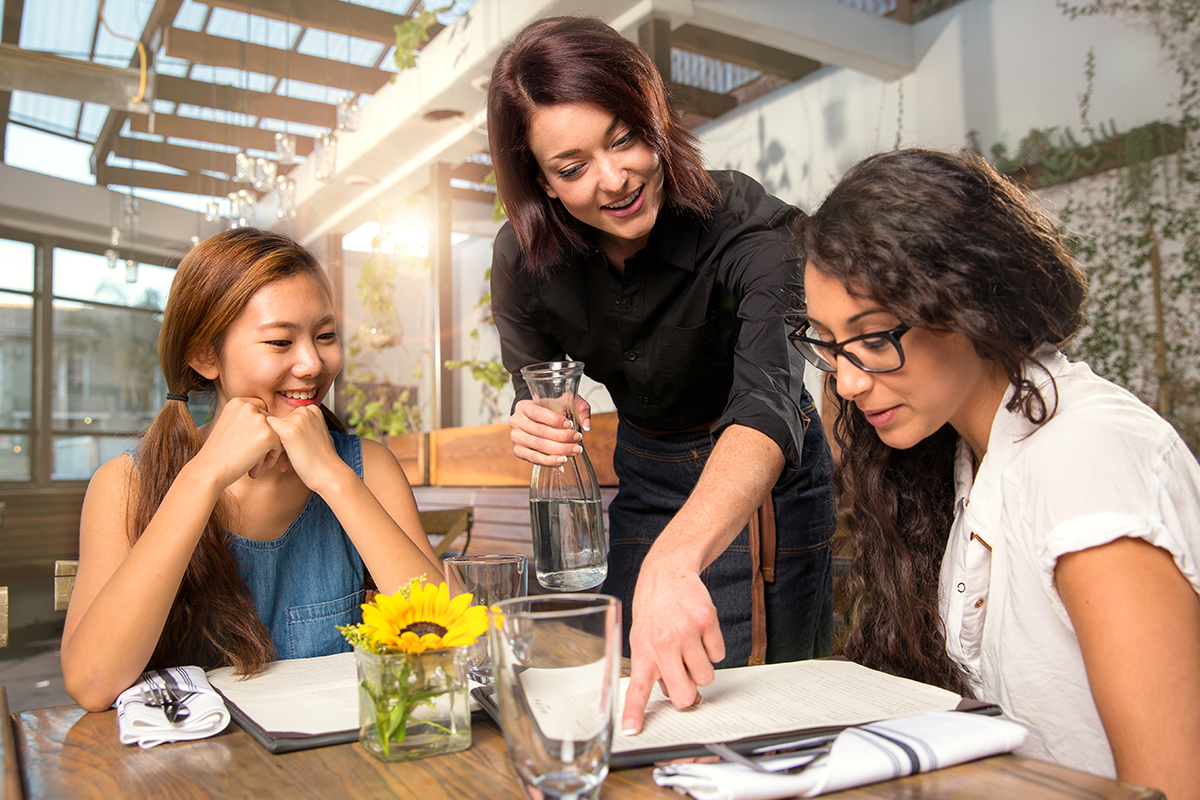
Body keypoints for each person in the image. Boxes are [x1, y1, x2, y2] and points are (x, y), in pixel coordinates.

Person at [797, 147, 1200, 798]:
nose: (844, 380)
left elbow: (1172, 788)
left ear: (968, 303)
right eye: (825, 341)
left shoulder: (1085, 457)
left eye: (873, 338)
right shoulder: (962, 455)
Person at [487, 15, 836, 735]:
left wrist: (677, 560)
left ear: (657, 119)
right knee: (630, 692)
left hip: (760, 474)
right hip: (646, 472)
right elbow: (535, 380)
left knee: (758, 706)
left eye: (625, 138)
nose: (614, 181)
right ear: (540, 181)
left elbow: (771, 399)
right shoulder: (524, 259)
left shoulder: (747, 229)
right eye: (572, 167)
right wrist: (537, 414)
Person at [61, 227, 445, 712]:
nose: (312, 362)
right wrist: (203, 477)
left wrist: (333, 478)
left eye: (325, 336)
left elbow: (448, 638)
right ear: (205, 355)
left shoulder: (366, 467)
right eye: (281, 341)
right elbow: (93, 684)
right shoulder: (125, 484)